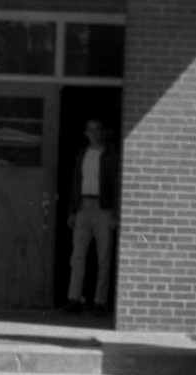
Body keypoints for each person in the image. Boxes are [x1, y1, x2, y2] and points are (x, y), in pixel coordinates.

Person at [63, 118, 119, 315]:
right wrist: (72, 210)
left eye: (97, 130)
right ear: (86, 133)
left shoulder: (111, 155)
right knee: (77, 255)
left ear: (103, 132)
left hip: (103, 208)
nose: (93, 133)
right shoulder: (82, 154)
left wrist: (116, 213)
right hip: (83, 206)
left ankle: (100, 301)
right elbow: (75, 183)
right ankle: (74, 298)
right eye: (90, 130)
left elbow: (117, 185)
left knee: (104, 256)